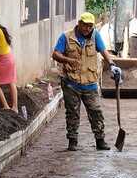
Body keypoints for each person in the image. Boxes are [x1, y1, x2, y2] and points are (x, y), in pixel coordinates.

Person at [52, 12, 123, 151]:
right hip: (71, 83)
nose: (87, 28)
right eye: (85, 25)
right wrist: (67, 60)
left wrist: (112, 64)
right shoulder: (66, 37)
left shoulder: (95, 36)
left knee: (96, 111)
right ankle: (72, 141)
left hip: (90, 83)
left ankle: (100, 141)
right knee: (72, 112)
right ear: (79, 23)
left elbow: (104, 51)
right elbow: (55, 54)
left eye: (90, 26)